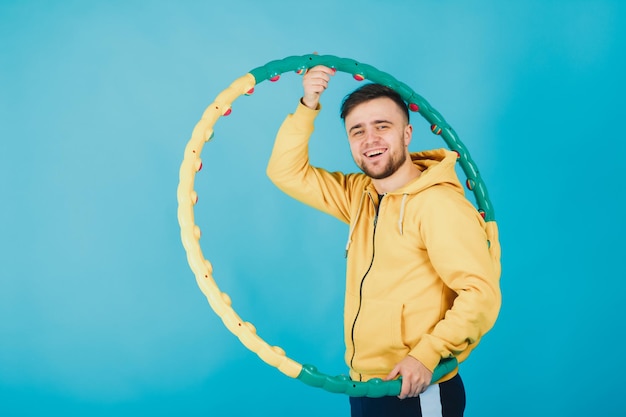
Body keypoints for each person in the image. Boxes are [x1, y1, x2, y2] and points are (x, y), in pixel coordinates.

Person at [267, 65, 501, 417]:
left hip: (417, 388)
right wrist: (308, 104)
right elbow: (286, 172)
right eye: (357, 131)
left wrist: (426, 356)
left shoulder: (439, 205)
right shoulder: (358, 195)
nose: (370, 139)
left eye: (382, 126)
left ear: (407, 134)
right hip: (365, 385)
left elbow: (480, 295)